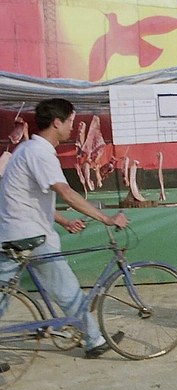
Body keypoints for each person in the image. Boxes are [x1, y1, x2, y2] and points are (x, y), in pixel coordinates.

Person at [0, 98, 129, 358]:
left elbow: (31, 200)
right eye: (70, 121)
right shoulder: (40, 153)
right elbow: (67, 193)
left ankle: (91, 337)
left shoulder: (27, 150)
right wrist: (106, 219)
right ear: (57, 123)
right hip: (30, 236)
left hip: (15, 232)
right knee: (67, 289)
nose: (72, 126)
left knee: (6, 295)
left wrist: (64, 221)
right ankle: (93, 339)